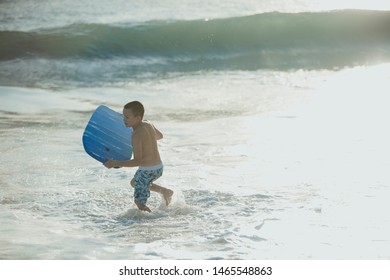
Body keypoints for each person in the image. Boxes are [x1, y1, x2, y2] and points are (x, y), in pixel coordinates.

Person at [103, 101, 173, 212]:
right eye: (123, 116)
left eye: (127, 117)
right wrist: (147, 140)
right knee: (134, 182)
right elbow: (159, 136)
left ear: (138, 117)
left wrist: (114, 163)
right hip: (158, 168)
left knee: (139, 203)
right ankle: (164, 191)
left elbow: (138, 161)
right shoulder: (148, 123)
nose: (124, 120)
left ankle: (151, 222)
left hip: (147, 171)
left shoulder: (136, 135)